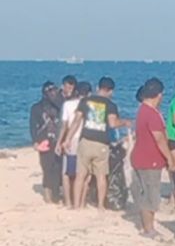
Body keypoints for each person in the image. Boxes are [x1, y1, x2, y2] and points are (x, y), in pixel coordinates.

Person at [63, 76, 131, 210]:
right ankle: (100, 206)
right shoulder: (111, 105)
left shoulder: (85, 101)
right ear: (111, 91)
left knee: (80, 175)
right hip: (101, 143)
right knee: (101, 176)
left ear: (97, 88)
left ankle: (77, 205)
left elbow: (76, 121)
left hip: (86, 141)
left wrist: (68, 139)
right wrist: (124, 122)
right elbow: (112, 123)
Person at [130, 78, 175, 240]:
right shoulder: (152, 114)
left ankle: (146, 226)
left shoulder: (141, 109)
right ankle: (149, 229)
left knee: (144, 194)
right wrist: (170, 158)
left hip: (139, 157)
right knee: (151, 196)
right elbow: (160, 139)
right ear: (159, 95)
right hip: (150, 160)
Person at [56, 81, 91, 208]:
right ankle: (82, 202)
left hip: (72, 140)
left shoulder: (68, 105)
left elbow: (64, 126)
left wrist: (60, 141)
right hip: (87, 139)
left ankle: (69, 202)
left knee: (67, 173)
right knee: (84, 173)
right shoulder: (91, 104)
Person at [29, 81, 63, 203]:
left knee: (58, 168)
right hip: (44, 142)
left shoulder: (60, 105)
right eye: (51, 91)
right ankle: (49, 196)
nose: (53, 93)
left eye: (54, 91)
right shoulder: (36, 107)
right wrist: (35, 142)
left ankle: (56, 193)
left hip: (59, 140)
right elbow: (33, 126)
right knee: (47, 168)